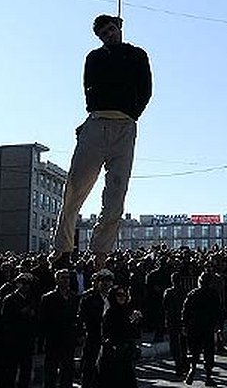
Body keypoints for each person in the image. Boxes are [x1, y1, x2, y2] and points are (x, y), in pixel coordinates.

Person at [50, 14, 153, 267]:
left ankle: (101, 252)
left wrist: (132, 113)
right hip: (97, 122)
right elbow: (88, 89)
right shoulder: (94, 58)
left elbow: (147, 88)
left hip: (126, 126)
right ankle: (63, 247)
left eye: (111, 30)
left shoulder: (137, 54)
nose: (109, 35)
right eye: (104, 34)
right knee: (75, 188)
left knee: (116, 193)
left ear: (119, 27)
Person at [40, 269, 78, 388]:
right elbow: (43, 321)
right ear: (57, 280)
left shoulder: (74, 297)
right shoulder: (48, 298)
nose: (66, 280)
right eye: (63, 277)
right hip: (53, 339)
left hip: (68, 340)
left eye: (67, 278)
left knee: (67, 372)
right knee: (51, 372)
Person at [182, 272, 222, 386]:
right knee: (209, 352)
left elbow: (185, 310)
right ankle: (208, 376)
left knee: (194, 350)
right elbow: (218, 311)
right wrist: (219, 326)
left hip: (195, 326)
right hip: (208, 326)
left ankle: (192, 368)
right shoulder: (214, 294)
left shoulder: (193, 294)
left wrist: (185, 324)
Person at [97, 285, 141, 388]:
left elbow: (133, 334)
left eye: (124, 295)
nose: (122, 297)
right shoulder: (110, 313)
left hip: (125, 354)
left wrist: (135, 322)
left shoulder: (127, 311)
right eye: (119, 295)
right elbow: (107, 333)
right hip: (112, 356)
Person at [78, 269, 114, 388]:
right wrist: (82, 334)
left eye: (108, 281)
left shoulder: (114, 297)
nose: (105, 284)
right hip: (93, 336)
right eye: (103, 281)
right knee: (89, 367)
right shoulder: (88, 298)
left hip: (109, 338)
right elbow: (82, 318)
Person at [163, 271, 189, 379]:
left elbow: (165, 306)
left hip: (172, 320)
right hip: (181, 320)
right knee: (183, 344)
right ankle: (185, 365)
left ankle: (179, 366)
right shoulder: (185, 292)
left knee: (175, 344)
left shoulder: (168, 292)